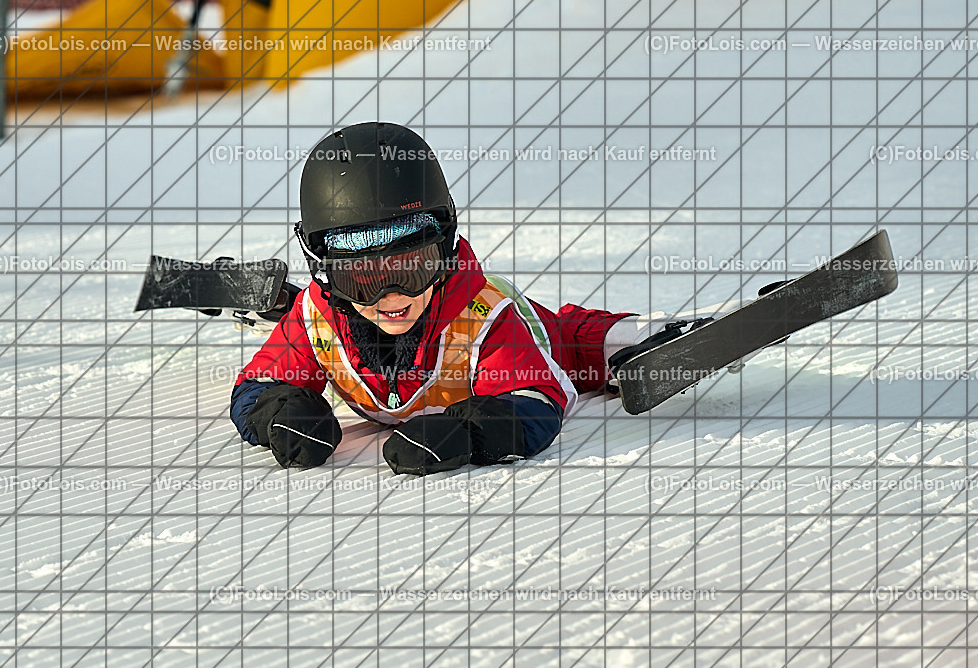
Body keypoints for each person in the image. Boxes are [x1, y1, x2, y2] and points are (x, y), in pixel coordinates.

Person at [230, 122, 723, 475]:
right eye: (363, 279)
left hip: (539, 345)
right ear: (326, 273)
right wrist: (281, 411)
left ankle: (648, 336)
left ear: (444, 252)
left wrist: (469, 433)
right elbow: (258, 383)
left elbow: (535, 400)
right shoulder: (315, 315)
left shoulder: (485, 316)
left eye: (411, 267)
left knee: (574, 343)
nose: (391, 297)